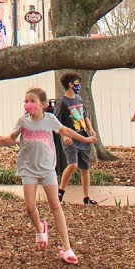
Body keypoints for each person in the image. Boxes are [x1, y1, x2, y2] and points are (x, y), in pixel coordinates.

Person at [5, 86, 95, 266]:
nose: (28, 104)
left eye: (32, 101)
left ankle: (67, 247)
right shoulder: (23, 121)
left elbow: (66, 131)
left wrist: (85, 139)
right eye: (26, 101)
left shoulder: (50, 119)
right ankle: (40, 227)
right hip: (28, 169)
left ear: (43, 104)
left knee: (55, 205)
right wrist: (2, 139)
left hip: (47, 169)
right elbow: (12, 137)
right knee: (30, 207)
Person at [55, 72, 98, 205]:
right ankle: (60, 191)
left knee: (85, 169)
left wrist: (91, 129)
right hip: (71, 139)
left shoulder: (79, 99)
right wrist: (64, 136)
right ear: (70, 84)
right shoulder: (62, 102)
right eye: (77, 83)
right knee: (73, 165)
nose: (79, 85)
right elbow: (56, 122)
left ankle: (86, 198)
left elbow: (85, 115)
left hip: (84, 136)